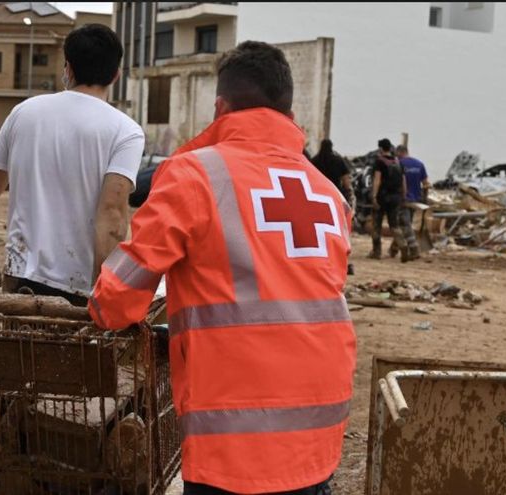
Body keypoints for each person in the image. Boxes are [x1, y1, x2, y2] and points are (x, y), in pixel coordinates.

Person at [90, 41, 354, 495]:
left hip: (237, 437)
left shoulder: (194, 174)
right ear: (288, 111)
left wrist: (101, 307)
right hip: (318, 428)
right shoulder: (329, 194)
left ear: (220, 106)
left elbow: (117, 300)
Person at [0, 23, 144, 306]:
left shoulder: (23, 113)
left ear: (68, 69)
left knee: (16, 351)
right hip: (80, 290)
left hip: (20, 281)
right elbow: (112, 215)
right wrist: (106, 294)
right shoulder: (126, 131)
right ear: (116, 75)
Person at [311, 139, 355, 275]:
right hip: (335, 198)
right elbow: (346, 179)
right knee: (337, 229)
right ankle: (338, 258)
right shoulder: (338, 160)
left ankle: (320, 257)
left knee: (319, 230)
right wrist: (349, 192)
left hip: (317, 197)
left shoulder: (315, 160)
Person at [369, 138, 406, 261]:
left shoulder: (379, 162)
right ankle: (403, 245)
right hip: (396, 197)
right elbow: (403, 181)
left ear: (380, 149)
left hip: (382, 197)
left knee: (376, 225)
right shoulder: (398, 161)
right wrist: (403, 196)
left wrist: (374, 196)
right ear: (390, 148)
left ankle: (376, 251)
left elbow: (377, 180)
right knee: (394, 225)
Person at [393, 145, 430, 261]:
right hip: (415, 199)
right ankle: (393, 249)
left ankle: (414, 249)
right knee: (405, 223)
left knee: (404, 225)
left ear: (399, 152)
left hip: (403, 199)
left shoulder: (399, 164)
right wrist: (424, 197)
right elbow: (426, 183)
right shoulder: (419, 164)